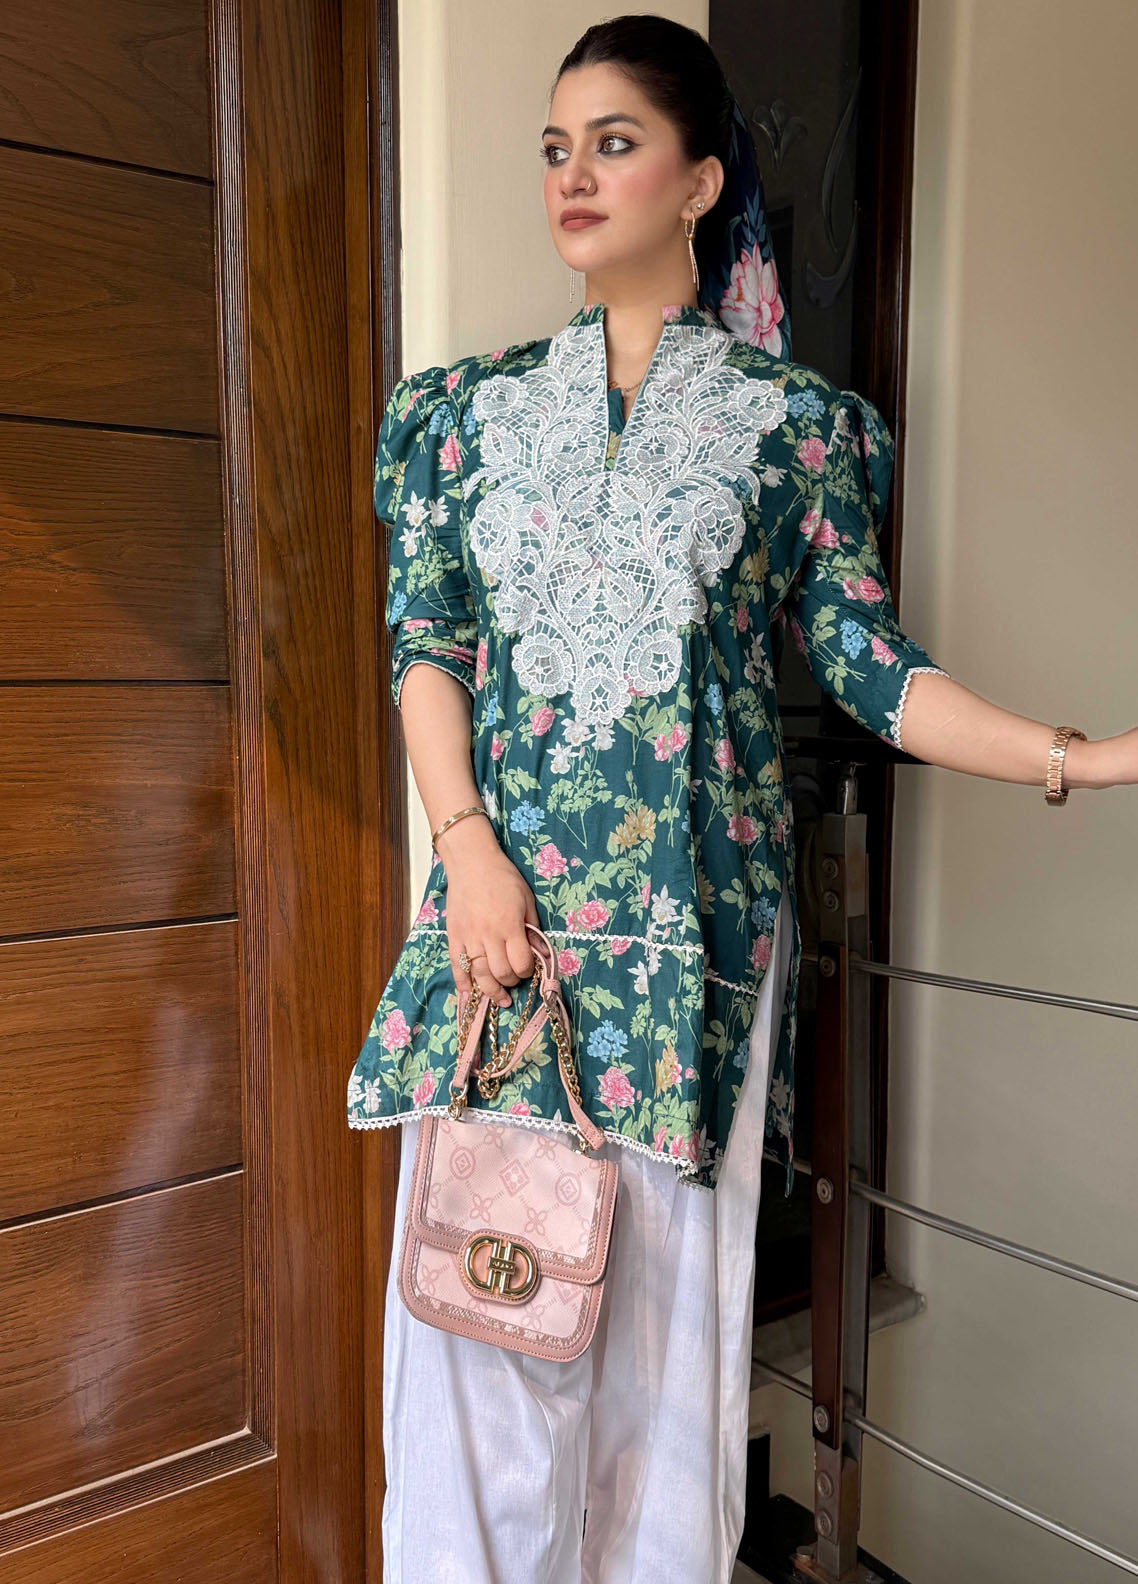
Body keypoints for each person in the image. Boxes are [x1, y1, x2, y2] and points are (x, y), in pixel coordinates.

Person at [348, 15, 1137, 1581]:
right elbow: (426, 650)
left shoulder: (796, 430)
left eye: (614, 142)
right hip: (504, 939)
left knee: (659, 1366)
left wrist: (1081, 756)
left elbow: (868, 667)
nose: (573, 176)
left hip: (694, 946)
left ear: (700, 180)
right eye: (555, 148)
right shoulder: (456, 419)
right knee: (480, 1325)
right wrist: (467, 850)